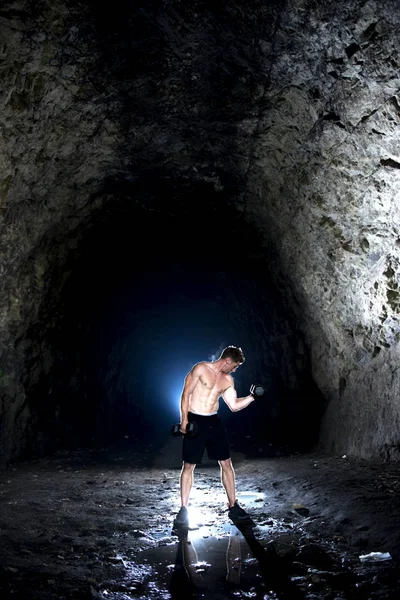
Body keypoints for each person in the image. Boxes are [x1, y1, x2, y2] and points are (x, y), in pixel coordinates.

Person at [174, 346, 256, 527]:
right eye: (234, 366)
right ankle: (183, 509)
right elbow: (185, 394)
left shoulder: (227, 380)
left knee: (226, 463)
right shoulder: (201, 369)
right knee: (189, 465)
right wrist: (184, 421)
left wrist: (252, 397)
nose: (235, 370)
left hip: (214, 422)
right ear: (227, 360)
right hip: (195, 419)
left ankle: (233, 506)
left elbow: (233, 406)